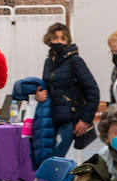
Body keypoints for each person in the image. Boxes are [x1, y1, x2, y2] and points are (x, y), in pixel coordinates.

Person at [36, 22, 99, 158]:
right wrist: (39, 96)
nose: (59, 41)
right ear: (49, 40)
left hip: (70, 120)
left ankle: (65, 180)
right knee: (47, 158)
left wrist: (86, 120)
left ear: (68, 41)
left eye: (63, 38)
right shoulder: (48, 62)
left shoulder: (75, 61)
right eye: (55, 38)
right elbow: (46, 86)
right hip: (51, 119)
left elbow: (93, 91)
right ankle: (69, 180)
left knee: (55, 159)